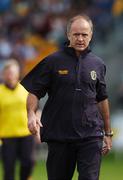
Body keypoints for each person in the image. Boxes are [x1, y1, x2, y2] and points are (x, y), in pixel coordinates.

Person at [21, 14, 113, 180]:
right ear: (68, 35)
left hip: (91, 135)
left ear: (91, 35)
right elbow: (34, 92)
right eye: (76, 34)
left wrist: (108, 132)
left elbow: (102, 98)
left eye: (84, 34)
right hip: (59, 135)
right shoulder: (52, 62)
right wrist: (31, 114)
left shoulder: (98, 64)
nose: (80, 38)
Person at [0, 59, 38, 180]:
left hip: (26, 133)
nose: (10, 75)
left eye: (12, 72)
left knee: (29, 162)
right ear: (3, 75)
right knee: (8, 168)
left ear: (17, 74)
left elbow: (37, 109)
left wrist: (38, 130)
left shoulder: (25, 88)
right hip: (7, 136)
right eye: (7, 73)